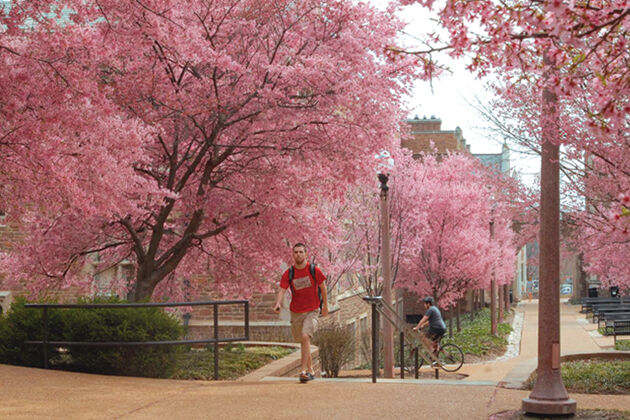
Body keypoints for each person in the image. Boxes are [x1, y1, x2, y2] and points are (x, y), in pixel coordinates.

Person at [273, 243, 328, 383]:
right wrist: (278, 303)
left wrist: (325, 305)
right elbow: (282, 289)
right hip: (296, 311)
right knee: (304, 342)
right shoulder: (289, 273)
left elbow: (323, 287)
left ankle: (302, 371)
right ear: (293, 255)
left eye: (301, 252)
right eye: (296, 252)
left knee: (305, 336)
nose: (298, 254)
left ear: (306, 254)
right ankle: (310, 370)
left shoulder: (314, 270)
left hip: (312, 310)